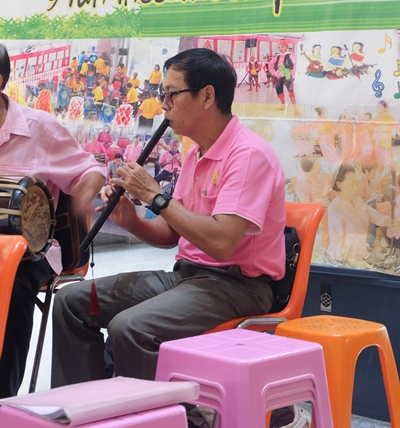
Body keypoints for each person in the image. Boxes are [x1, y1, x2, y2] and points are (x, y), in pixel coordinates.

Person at [51, 47, 286, 387]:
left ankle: (146, 418)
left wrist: (155, 196)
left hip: (237, 287)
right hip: (187, 276)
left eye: (172, 94)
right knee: (71, 302)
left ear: (207, 96)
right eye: (163, 95)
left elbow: (221, 242)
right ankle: (85, 407)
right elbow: (171, 234)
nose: (163, 105)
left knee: (130, 327)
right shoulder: (195, 154)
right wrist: (132, 221)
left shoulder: (248, 155)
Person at [0, 44, 106, 398]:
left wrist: (83, 199)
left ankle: (3, 400)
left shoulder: (39, 129)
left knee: (12, 285)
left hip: (29, 253)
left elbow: (90, 170)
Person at [269, 40, 299, 115]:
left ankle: (295, 108)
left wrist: (290, 72)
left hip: (287, 75)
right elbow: (270, 64)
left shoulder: (291, 55)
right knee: (279, 90)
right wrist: (274, 72)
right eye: (279, 47)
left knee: (291, 91)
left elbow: (294, 65)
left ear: (287, 47)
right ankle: (282, 105)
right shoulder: (277, 56)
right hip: (277, 76)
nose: (280, 49)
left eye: (282, 47)